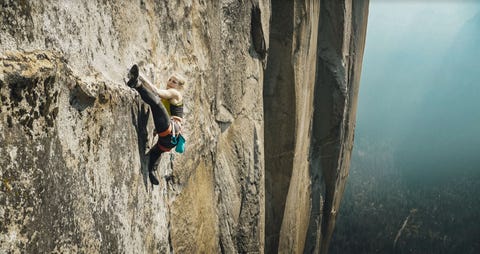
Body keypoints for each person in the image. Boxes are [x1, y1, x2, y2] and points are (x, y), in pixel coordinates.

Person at [126, 64, 186, 185]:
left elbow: (156, 92)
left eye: (174, 82)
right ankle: (152, 171)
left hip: (170, 130)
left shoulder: (175, 93)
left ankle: (136, 84)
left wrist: (140, 78)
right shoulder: (171, 93)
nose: (170, 82)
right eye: (170, 79)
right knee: (156, 152)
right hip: (169, 139)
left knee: (156, 104)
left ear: (179, 87)